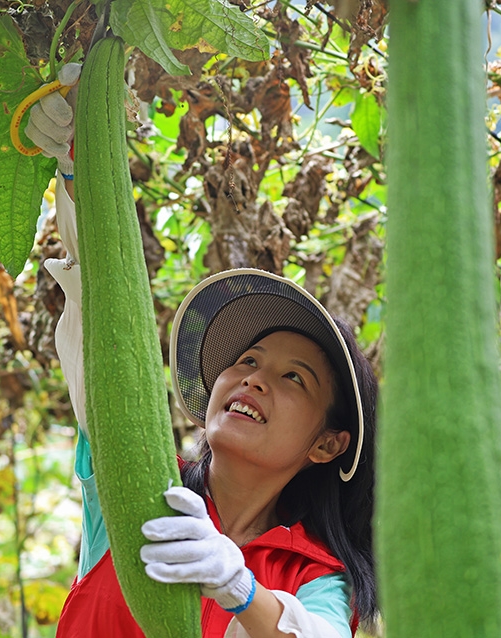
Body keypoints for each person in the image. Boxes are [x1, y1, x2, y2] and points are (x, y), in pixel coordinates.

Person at [31, 64, 379, 638]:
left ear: (327, 443)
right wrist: (77, 164)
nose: (254, 379)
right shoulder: (135, 483)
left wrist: (239, 588)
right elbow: (102, 314)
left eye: (294, 378)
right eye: (247, 361)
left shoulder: (315, 577)